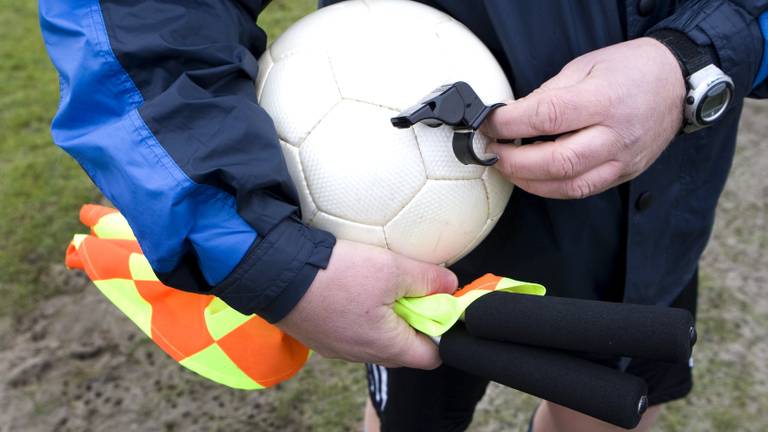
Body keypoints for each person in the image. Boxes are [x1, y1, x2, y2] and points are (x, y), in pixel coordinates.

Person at [40, 0, 767, 431]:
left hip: (656, 201)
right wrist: (265, 257)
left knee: (609, 413)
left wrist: (695, 61)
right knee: (409, 421)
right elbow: (138, 19)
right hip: (413, 240)